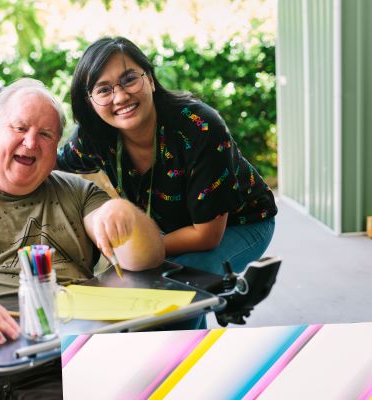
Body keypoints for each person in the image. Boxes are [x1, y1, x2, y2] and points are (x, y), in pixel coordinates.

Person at [0, 78, 165, 398]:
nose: (32, 142)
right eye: (20, 128)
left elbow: (145, 258)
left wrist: (125, 215)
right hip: (11, 367)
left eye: (46, 134)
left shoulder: (78, 192)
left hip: (92, 347)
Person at [57, 36, 277, 277]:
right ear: (90, 102)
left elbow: (207, 235)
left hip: (242, 224)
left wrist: (144, 250)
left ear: (150, 80)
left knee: (179, 281)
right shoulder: (93, 136)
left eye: (129, 79)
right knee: (140, 281)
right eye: (103, 90)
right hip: (171, 230)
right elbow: (49, 166)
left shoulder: (200, 127)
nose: (120, 97)